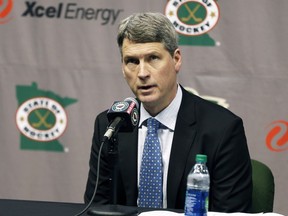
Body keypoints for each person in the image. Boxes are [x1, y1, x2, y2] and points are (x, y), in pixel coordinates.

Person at [84, 12, 252, 212]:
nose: (143, 73)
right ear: (122, 67)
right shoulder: (111, 125)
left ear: (176, 59)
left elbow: (230, 213)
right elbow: (96, 207)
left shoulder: (222, 129)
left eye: (153, 58)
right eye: (132, 61)